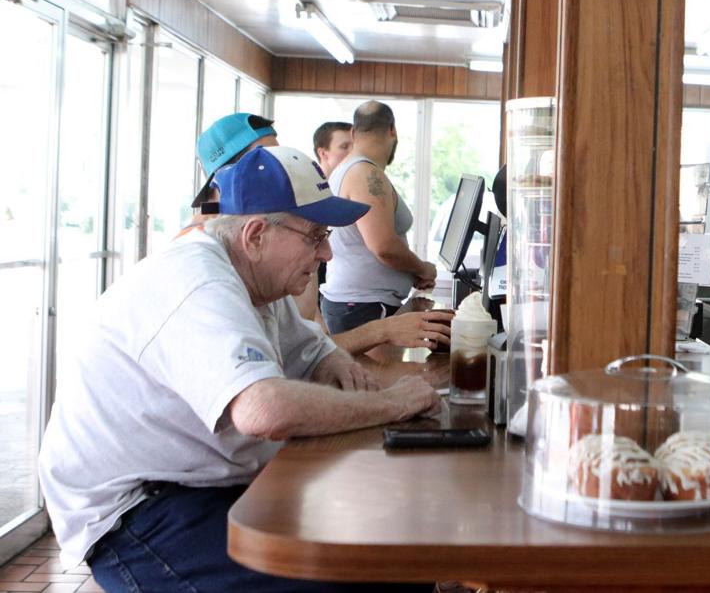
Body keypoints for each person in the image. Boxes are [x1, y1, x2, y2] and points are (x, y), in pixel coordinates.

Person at [38, 146, 442, 592]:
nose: (326, 252)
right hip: (135, 514)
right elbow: (263, 411)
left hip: (199, 485)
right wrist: (387, 405)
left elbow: (314, 352)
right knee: (365, 575)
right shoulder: (198, 283)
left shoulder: (259, 282)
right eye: (314, 235)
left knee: (392, 552)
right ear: (254, 235)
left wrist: (337, 369)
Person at [321, 101, 439, 334]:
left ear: (354, 133)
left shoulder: (348, 169)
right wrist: (423, 268)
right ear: (392, 130)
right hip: (365, 307)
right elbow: (384, 246)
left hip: (361, 304)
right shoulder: (365, 174)